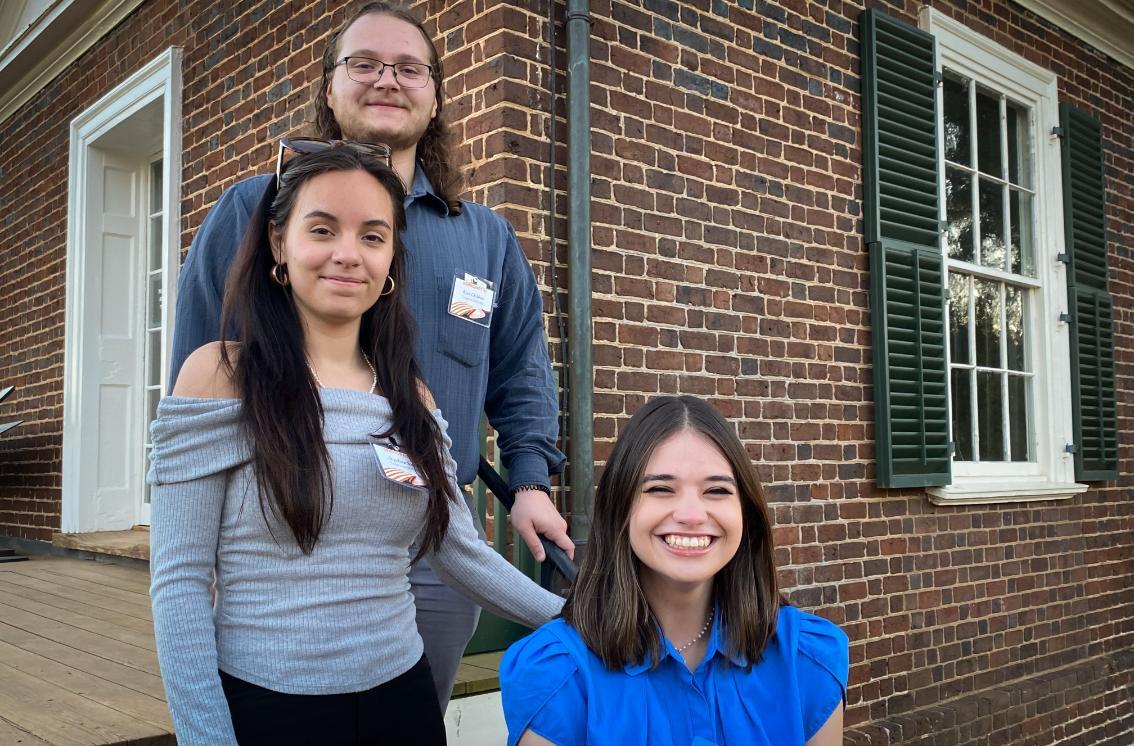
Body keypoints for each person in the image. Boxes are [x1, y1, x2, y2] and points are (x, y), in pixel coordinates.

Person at [167, 1, 571, 710]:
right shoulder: (252, 211)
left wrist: (531, 479)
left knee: (410, 709)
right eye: (364, 64)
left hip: (439, 536)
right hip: (287, 537)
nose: (388, 79)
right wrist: (200, 557)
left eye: (409, 68)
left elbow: (519, 368)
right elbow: (200, 369)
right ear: (329, 87)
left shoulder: (484, 239)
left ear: (437, 94)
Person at [500, 396, 849, 745]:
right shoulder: (557, 672)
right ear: (619, 509)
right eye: (660, 489)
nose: (692, 514)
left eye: (716, 490)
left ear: (746, 512)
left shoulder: (805, 657)